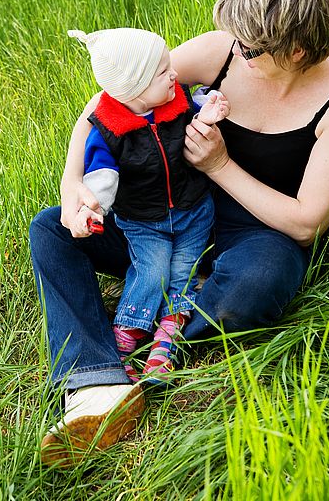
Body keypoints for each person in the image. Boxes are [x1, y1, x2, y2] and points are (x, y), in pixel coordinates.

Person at [29, 0, 329, 466]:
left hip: (258, 233)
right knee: (50, 229)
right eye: (237, 41)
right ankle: (96, 379)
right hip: (167, 217)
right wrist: (73, 182)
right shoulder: (221, 51)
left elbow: (307, 222)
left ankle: (167, 331)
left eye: (252, 48)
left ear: (295, 51)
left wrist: (220, 165)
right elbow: (108, 102)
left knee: (257, 285)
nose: (240, 53)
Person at [67, 27, 229, 385]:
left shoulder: (177, 100)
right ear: (132, 87)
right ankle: (124, 338)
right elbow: (102, 177)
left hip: (193, 211)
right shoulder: (109, 128)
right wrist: (94, 208)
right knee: (151, 269)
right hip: (143, 220)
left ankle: (165, 342)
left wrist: (211, 110)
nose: (174, 74)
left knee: (183, 270)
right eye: (161, 72)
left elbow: (197, 112)